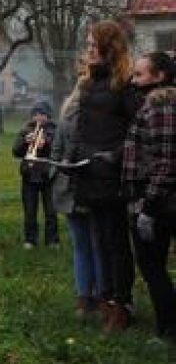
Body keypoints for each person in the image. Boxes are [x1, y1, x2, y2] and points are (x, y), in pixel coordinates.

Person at [68, 20, 138, 332]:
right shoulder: (89, 83)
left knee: (116, 241)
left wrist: (114, 157)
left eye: (93, 44)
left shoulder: (125, 85)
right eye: (87, 44)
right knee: (98, 239)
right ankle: (105, 299)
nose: (88, 49)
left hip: (113, 175)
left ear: (109, 47)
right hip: (87, 173)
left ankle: (122, 305)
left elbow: (138, 133)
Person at [122, 51, 176, 340]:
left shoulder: (161, 107)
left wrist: (149, 208)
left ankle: (168, 330)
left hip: (159, 203)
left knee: (153, 266)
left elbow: (166, 162)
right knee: (153, 266)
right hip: (155, 199)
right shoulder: (152, 106)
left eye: (140, 75)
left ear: (160, 77)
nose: (133, 80)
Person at [52, 90, 104, 320]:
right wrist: (59, 171)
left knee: (91, 246)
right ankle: (89, 298)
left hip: (88, 189)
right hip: (74, 190)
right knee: (87, 246)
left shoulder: (70, 119)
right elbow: (56, 152)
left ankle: (96, 297)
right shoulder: (69, 122)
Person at [11, 100, 58, 248]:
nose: (39, 117)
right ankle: (30, 239)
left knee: (50, 210)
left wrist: (47, 143)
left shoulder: (54, 131)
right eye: (36, 114)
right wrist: (26, 142)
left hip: (48, 175)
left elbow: (58, 150)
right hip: (29, 175)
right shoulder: (26, 131)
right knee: (30, 210)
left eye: (42, 114)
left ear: (49, 116)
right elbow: (16, 152)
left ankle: (52, 239)